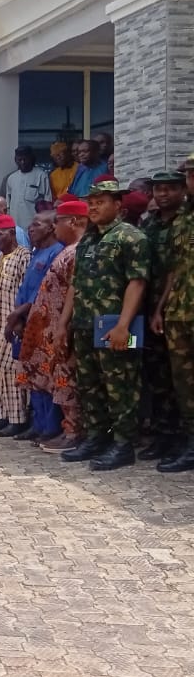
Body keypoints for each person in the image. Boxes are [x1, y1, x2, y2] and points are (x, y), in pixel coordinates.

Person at [64, 179, 149, 470]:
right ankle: (96, 437)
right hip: (85, 324)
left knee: (120, 385)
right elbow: (76, 283)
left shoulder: (131, 237)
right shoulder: (88, 239)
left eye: (101, 202)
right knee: (89, 385)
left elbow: (137, 282)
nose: (94, 207)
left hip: (116, 324)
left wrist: (124, 325)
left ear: (117, 204)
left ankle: (123, 444)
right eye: (91, 203)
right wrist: (64, 323)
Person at [18, 200, 87, 453]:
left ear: (73, 222)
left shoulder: (78, 252)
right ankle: (67, 429)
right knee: (58, 381)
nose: (55, 227)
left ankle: (73, 433)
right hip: (51, 332)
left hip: (64, 330)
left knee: (68, 381)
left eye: (57, 222)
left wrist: (63, 327)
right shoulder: (67, 251)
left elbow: (74, 293)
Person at [138, 172, 187, 462]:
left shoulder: (185, 222)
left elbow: (175, 270)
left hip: (176, 310)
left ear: (182, 190)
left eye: (170, 189)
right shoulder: (150, 224)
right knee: (156, 376)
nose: (163, 194)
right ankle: (162, 436)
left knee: (180, 379)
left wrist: (160, 308)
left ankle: (181, 439)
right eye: (159, 189)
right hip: (147, 310)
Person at [5, 211, 64, 443]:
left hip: (45, 322)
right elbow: (25, 289)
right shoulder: (36, 252)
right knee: (32, 375)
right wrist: (19, 318)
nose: (31, 228)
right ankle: (38, 424)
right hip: (27, 322)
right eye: (30, 224)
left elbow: (43, 291)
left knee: (46, 376)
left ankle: (51, 426)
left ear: (51, 227)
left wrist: (17, 314)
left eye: (37, 224)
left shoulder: (57, 252)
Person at [154, 167, 194, 472]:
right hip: (180, 312)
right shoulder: (183, 221)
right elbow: (174, 269)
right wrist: (160, 309)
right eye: (190, 175)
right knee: (183, 384)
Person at [0, 214, 31, 436]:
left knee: (11, 370)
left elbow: (25, 293)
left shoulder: (23, 256)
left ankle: (17, 419)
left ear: (12, 233)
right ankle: (1, 416)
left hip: (11, 324)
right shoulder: (0, 258)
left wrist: (19, 322)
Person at [1, 146, 51, 228]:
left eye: (25, 159)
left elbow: (48, 201)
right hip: (15, 225)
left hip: (35, 225)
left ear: (31, 159)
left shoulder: (41, 175)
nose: (22, 162)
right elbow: (8, 204)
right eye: (19, 160)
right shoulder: (11, 178)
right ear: (16, 160)